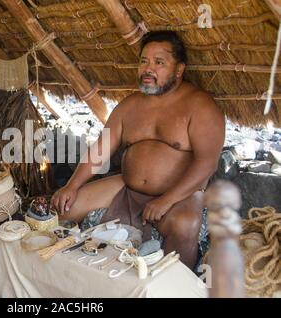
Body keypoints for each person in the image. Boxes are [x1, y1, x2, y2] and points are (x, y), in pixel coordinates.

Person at [50, 31, 225, 270]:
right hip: (126, 187)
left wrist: (166, 200)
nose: (148, 68)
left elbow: (207, 164)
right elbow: (100, 151)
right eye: (144, 61)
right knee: (66, 208)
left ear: (179, 69)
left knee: (186, 225)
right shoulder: (129, 106)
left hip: (180, 195)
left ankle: (172, 289)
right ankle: (65, 277)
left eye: (159, 62)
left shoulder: (200, 105)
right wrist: (72, 185)